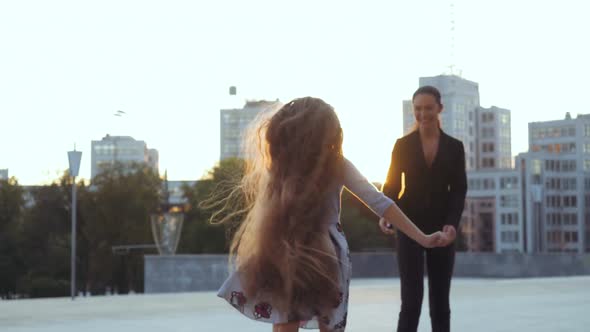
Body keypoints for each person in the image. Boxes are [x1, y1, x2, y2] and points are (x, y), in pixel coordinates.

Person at [210, 97, 446, 332]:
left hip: (286, 245)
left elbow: (380, 202)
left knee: (285, 321)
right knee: (326, 323)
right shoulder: (335, 163)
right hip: (325, 251)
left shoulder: (283, 165)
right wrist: (422, 237)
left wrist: (422, 237)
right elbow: (379, 202)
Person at [380, 86, 467, 332]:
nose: (423, 113)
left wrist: (452, 224)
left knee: (440, 303)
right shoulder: (402, 145)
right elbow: (392, 185)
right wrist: (385, 214)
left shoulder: (454, 147)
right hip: (409, 226)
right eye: (418, 108)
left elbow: (459, 190)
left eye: (428, 108)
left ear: (440, 108)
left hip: (443, 229)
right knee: (410, 302)